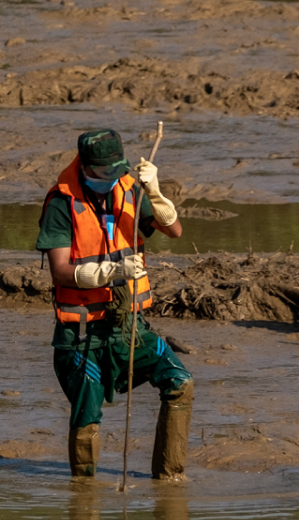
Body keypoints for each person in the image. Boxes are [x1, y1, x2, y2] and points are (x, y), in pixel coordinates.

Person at [36, 128, 194, 479]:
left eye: (116, 171)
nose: (110, 179)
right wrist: (108, 272)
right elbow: (60, 272)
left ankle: (169, 480)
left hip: (128, 327)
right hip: (82, 335)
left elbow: (175, 230)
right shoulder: (62, 203)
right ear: (84, 167)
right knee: (86, 418)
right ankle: (84, 495)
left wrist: (154, 190)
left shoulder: (130, 190)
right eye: (102, 173)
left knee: (180, 382)